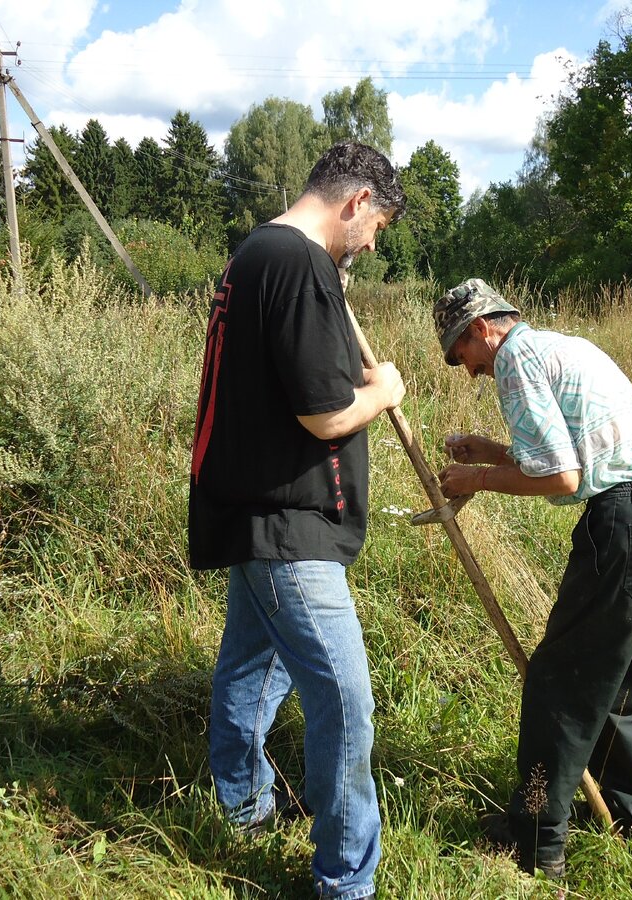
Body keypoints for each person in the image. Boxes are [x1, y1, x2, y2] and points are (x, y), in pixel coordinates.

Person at [189, 141, 407, 900]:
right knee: (345, 700)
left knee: (250, 671)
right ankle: (346, 880)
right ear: (354, 203)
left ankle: (243, 805)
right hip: (288, 526)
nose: (374, 242)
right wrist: (385, 392)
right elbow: (323, 415)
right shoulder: (298, 262)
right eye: (377, 225)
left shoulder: (257, 253)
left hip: (258, 514)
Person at [431, 278, 632, 879]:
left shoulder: (515, 360)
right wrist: (491, 455)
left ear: (481, 329)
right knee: (623, 683)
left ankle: (534, 841)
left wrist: (472, 481)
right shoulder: (559, 346)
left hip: (628, 523)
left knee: (559, 683)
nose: (464, 369)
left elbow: (563, 479)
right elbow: (568, 455)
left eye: (459, 354)